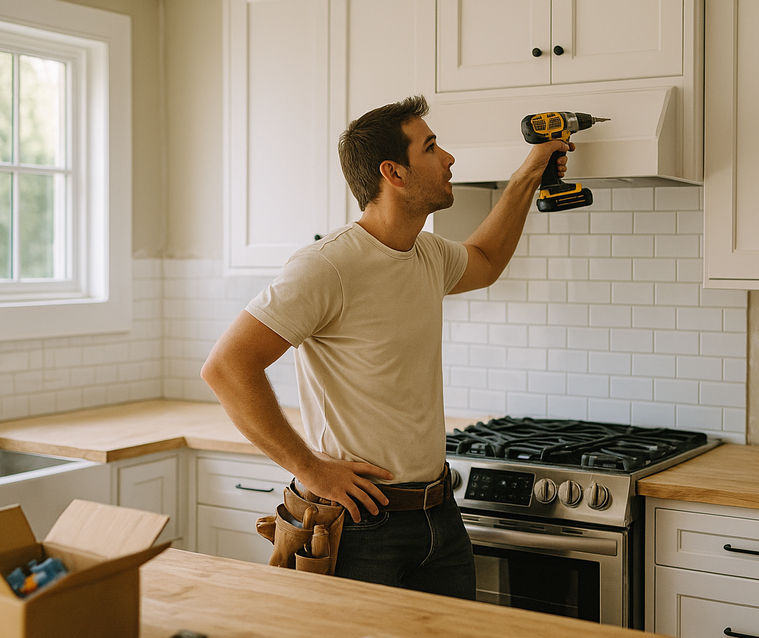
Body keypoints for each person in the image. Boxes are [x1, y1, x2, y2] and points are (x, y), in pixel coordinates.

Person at [201, 95, 572, 599]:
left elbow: (485, 258)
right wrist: (309, 468)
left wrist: (528, 174)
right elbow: (226, 367)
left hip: (437, 515)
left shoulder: (427, 253)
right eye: (432, 147)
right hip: (355, 524)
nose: (449, 159)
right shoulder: (328, 265)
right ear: (393, 173)